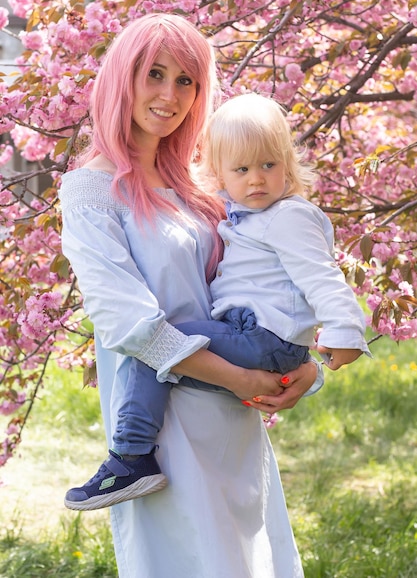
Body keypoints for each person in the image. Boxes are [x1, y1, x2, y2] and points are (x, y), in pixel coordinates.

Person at [59, 12, 323, 578]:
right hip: (161, 428)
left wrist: (303, 369)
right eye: (153, 74)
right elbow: (126, 320)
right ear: (120, 79)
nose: (169, 94)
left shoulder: (201, 185)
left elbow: (267, 286)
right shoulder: (91, 190)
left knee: (254, 563)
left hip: (233, 418)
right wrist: (242, 379)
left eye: (186, 80)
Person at [64, 91, 371, 514]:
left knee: (165, 346)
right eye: (242, 169)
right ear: (222, 175)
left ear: (289, 164)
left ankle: (131, 456)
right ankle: (133, 456)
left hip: (259, 340)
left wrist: (344, 331)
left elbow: (321, 276)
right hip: (248, 347)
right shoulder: (237, 209)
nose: (257, 180)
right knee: (158, 349)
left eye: (269, 165)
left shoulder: (287, 216)